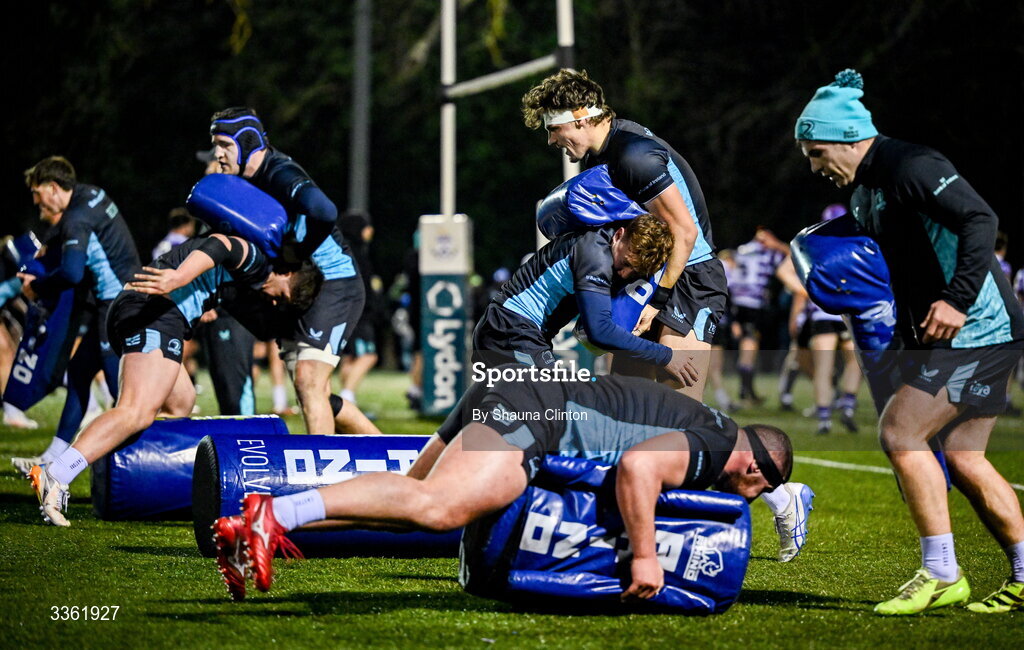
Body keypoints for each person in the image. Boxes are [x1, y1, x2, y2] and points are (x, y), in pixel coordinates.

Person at [212, 371, 794, 601]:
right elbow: (639, 469)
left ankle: (259, 523)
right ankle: (271, 516)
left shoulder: (709, 426)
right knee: (438, 509)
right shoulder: (716, 444)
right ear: (753, 470)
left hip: (516, 392)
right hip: (536, 415)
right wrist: (646, 557)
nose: (742, 502)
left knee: (404, 504)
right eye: (756, 494)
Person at [796, 69, 1024, 614]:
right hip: (953, 333)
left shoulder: (912, 165)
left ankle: (942, 572)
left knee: (901, 432)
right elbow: (902, 266)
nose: (813, 166)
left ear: (850, 139)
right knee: (966, 459)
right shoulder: (862, 190)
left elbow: (980, 218)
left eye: (817, 151)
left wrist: (957, 300)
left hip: (978, 329)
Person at [28, 234, 324, 526]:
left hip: (152, 312)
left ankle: (122, 464)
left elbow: (250, 315)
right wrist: (179, 278)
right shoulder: (258, 262)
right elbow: (222, 243)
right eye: (283, 293)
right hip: (154, 311)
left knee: (181, 400)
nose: (275, 300)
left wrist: (202, 301)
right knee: (136, 411)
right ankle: (57, 473)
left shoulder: (247, 283)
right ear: (287, 272)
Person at [522, 69, 727, 400]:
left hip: (688, 276)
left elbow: (685, 233)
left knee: (680, 409)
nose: (551, 140)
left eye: (553, 129)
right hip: (651, 275)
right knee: (628, 405)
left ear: (580, 118)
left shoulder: (633, 155)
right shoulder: (605, 153)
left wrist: (658, 300)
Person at [207, 107, 367, 434]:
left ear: (247, 141)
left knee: (309, 381)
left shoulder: (278, 172)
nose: (217, 153)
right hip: (292, 287)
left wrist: (298, 252)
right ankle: (396, 460)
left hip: (331, 281)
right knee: (314, 391)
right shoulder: (240, 180)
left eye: (224, 144)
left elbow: (324, 211)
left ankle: (320, 476)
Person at [11, 157, 142, 475]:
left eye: (37, 192)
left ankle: (144, 462)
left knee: (120, 391)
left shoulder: (75, 218)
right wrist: (53, 243)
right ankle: (53, 457)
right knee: (80, 374)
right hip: (121, 296)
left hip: (116, 303)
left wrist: (38, 286)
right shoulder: (89, 194)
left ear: (53, 188)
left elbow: (70, 272)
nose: (35, 200)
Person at [473, 213, 695, 383]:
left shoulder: (603, 244)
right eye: (625, 263)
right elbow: (600, 332)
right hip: (510, 331)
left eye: (634, 272)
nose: (624, 274)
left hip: (508, 330)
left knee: (494, 425)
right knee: (557, 411)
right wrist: (665, 356)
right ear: (618, 235)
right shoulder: (595, 256)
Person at [728, 227, 790, 405]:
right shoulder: (767, 251)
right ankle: (746, 390)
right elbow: (790, 257)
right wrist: (776, 244)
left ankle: (746, 389)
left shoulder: (742, 250)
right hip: (752, 302)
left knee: (747, 344)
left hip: (736, 301)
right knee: (750, 344)